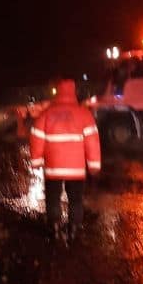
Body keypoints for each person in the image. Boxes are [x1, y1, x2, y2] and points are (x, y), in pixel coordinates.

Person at [29, 79, 101, 242]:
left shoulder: (46, 114)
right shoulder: (84, 114)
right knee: (76, 200)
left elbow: (36, 138)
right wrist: (94, 165)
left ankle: (54, 228)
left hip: (53, 168)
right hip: (76, 169)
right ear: (73, 92)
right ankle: (74, 229)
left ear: (58, 92)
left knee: (53, 198)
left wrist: (36, 161)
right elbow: (92, 141)